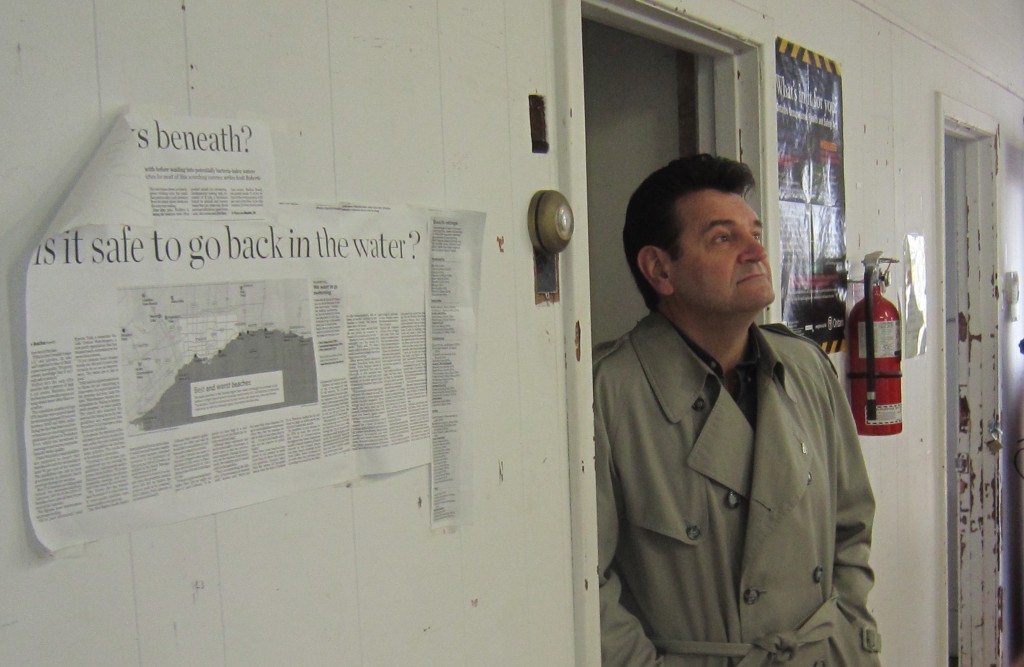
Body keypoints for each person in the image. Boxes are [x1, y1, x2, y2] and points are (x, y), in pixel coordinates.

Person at [594, 154, 882, 666]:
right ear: (660, 269)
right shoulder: (608, 393)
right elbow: (584, 583)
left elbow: (851, 523)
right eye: (724, 238)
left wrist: (851, 630)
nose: (756, 252)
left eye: (755, 233)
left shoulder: (806, 368)